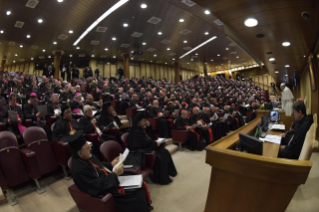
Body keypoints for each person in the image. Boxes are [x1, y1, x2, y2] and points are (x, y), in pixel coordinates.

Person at [67, 130, 153, 212]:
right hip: (106, 190)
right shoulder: (79, 170)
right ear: (79, 153)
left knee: (139, 184)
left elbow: (99, 165)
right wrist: (114, 174)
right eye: (87, 148)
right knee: (137, 194)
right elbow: (97, 186)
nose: (90, 149)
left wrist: (111, 164)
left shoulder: (86, 155)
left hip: (110, 179)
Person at [128, 112, 177, 185]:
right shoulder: (136, 131)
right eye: (144, 121)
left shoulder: (141, 129)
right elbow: (143, 143)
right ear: (139, 121)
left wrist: (148, 127)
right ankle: (161, 179)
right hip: (140, 151)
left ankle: (170, 172)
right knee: (159, 157)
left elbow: (149, 138)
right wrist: (155, 143)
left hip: (147, 147)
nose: (145, 122)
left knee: (165, 151)